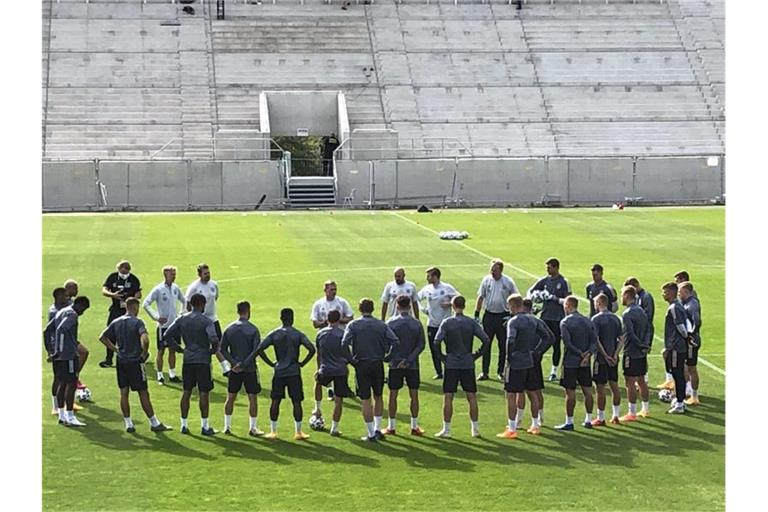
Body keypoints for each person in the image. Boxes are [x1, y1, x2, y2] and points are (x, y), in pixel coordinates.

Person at [98, 298, 171, 433]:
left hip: (121, 361)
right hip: (134, 361)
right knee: (143, 392)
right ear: (135, 307)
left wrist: (115, 350)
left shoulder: (117, 321)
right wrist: (144, 353)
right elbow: (145, 339)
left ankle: (128, 424)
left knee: (124, 393)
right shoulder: (137, 322)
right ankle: (154, 423)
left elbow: (102, 337)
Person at [342, 298, 399, 442]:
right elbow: (395, 341)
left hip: (361, 364)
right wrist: (387, 357)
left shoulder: (353, 325)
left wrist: (352, 360)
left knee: (365, 399)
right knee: (378, 395)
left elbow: (344, 344)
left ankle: (371, 432)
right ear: (373, 309)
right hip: (377, 364)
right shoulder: (381, 324)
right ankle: (377, 428)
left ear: (360, 309)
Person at [433, 295, 490, 438]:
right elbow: (486, 339)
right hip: (467, 362)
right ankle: (475, 429)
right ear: (464, 306)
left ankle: (446, 429)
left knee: (448, 396)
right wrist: (476, 355)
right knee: (471, 396)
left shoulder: (447, 322)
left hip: (451, 362)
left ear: (453, 306)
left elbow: (436, 341)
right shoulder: (470, 323)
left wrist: (442, 357)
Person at [497, 294, 553, 439]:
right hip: (530, 360)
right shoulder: (533, 320)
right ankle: (535, 425)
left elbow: (510, 340)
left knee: (511, 394)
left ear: (514, 305)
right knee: (532, 393)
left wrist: (509, 358)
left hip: (516, 362)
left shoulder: (513, 322)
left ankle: (512, 428)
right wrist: (537, 351)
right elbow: (548, 337)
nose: (508, 308)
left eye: (509, 305)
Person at [164, 293, 220, 435]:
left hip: (188, 359)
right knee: (204, 393)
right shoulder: (206, 321)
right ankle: (205, 426)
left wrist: (178, 348)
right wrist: (212, 351)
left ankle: (184, 424)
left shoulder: (182, 319)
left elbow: (167, 335)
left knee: (186, 392)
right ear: (201, 304)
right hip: (202, 360)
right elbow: (214, 339)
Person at [258, 308, 316, 440]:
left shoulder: (275, 334)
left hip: (279, 372)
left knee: (275, 401)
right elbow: (312, 349)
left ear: (281, 318)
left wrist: (271, 363)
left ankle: (273, 431)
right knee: (296, 401)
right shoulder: (297, 334)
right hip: (294, 372)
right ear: (292, 318)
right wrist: (302, 363)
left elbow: (260, 349)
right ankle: (298, 432)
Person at [219, 301, 264, 437]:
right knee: (252, 398)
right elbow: (256, 350)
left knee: (231, 397)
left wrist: (234, 364)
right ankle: (253, 427)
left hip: (234, 370)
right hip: (249, 369)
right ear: (248, 311)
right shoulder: (253, 329)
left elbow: (222, 349)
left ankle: (227, 427)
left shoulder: (229, 328)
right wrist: (244, 364)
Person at [383, 295, 426, 436]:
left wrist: (393, 359)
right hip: (412, 364)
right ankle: (414, 426)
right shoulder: (417, 323)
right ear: (409, 306)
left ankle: (391, 426)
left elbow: (386, 344)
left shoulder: (390, 323)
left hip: (395, 364)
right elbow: (421, 345)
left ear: (397, 305)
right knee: (414, 395)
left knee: (393, 395)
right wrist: (408, 360)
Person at [555, 296, 597, 431]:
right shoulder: (587, 321)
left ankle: (569, 422)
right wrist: (587, 354)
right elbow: (594, 341)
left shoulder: (565, 322)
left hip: (570, 362)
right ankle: (589, 419)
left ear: (568, 305)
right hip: (585, 363)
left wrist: (579, 353)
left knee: (570, 392)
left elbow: (567, 343)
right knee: (587, 391)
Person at [527, 257, 571, 382]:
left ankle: (554, 371)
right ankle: (536, 368)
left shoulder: (563, 282)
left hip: (557, 318)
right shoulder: (544, 280)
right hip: (545, 317)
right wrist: (535, 297)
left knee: (556, 344)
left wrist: (553, 298)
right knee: (540, 342)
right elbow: (530, 291)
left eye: (549, 268)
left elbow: (568, 301)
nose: (547, 270)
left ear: (556, 267)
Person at [474, 259, 518, 381]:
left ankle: (501, 371)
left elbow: (516, 297)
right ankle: (484, 371)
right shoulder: (486, 280)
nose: (492, 272)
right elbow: (480, 297)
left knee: (503, 344)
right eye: (491, 270)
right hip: (489, 315)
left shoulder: (508, 282)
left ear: (501, 270)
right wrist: (477, 314)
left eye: (495, 270)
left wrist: (512, 314)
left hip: (503, 316)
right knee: (486, 343)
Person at [49, 296, 90, 426]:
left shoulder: (61, 311)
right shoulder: (72, 315)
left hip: (59, 355)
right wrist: (60, 350)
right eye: (83, 309)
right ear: (79, 305)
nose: (82, 312)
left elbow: (47, 330)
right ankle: (70, 415)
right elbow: (61, 329)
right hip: (68, 354)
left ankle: (61, 414)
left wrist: (52, 350)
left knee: (61, 383)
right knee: (71, 383)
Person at [313, 310, 353, 437]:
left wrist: (319, 368)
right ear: (339, 319)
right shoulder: (343, 334)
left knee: (318, 383)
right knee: (338, 400)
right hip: (340, 370)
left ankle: (317, 407)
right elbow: (347, 353)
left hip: (326, 368)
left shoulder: (320, 334)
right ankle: (334, 428)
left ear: (327, 319)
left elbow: (318, 354)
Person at [143, 265, 186, 384]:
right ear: (165, 275)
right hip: (163, 326)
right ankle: (160, 375)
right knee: (161, 350)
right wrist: (156, 317)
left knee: (173, 349)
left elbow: (184, 300)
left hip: (175, 325)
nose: (174, 276)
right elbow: (146, 304)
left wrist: (181, 313)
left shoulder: (176, 288)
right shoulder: (158, 289)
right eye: (172, 274)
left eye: (175, 274)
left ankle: (172, 374)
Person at [186, 264, 230, 376]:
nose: (208, 275)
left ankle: (226, 368)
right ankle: (207, 367)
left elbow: (215, 297)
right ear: (199, 274)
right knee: (204, 345)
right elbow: (188, 303)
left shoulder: (214, 284)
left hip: (213, 319)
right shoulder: (194, 287)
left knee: (219, 343)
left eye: (208, 273)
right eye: (205, 273)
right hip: (201, 321)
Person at [418, 267, 460, 380]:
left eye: (429, 276)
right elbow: (416, 299)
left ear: (435, 276)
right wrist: (423, 309)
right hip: (432, 324)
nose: (427, 278)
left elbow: (459, 298)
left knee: (450, 348)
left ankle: (451, 370)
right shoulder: (427, 289)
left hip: (446, 324)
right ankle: (439, 372)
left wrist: (450, 303)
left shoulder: (447, 287)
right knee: (434, 348)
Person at [99, 260, 141, 368]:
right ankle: (109, 359)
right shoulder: (112, 277)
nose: (124, 273)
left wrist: (130, 300)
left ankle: (138, 354)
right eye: (122, 271)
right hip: (115, 310)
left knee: (133, 333)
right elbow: (104, 290)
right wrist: (113, 295)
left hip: (129, 310)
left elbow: (138, 293)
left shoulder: (133, 279)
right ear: (118, 269)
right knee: (111, 334)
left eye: (126, 271)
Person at [590, 293, 624, 426]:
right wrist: (615, 354)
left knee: (600, 388)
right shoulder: (616, 318)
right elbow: (621, 338)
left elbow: (596, 340)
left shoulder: (596, 319)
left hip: (601, 359)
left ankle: (601, 417)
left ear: (599, 303)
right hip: (614, 359)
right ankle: (616, 415)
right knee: (614, 386)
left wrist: (605, 355)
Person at [46, 287, 81, 415]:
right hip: (60, 347)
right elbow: (51, 330)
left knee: (83, 352)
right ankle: (56, 405)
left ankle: (66, 402)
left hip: (67, 343)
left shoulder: (65, 307)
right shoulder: (54, 311)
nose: (68, 298)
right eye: (65, 296)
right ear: (58, 297)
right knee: (59, 378)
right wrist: (51, 350)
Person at [620, 285, 651, 422]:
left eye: (622, 295)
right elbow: (648, 329)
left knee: (630, 382)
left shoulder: (627, 314)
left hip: (631, 352)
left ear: (627, 295)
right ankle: (645, 408)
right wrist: (646, 345)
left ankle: (631, 412)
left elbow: (630, 334)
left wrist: (640, 345)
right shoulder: (641, 311)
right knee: (641, 380)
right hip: (641, 353)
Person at [522, 297, 552, 427]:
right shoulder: (538, 321)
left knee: (521, 391)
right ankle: (540, 417)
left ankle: (518, 419)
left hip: (524, 359)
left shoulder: (522, 321)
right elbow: (551, 337)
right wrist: (539, 351)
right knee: (536, 389)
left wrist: (537, 351)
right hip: (534, 359)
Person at [661, 282, 690, 414]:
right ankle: (680, 401)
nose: (663, 294)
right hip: (677, 347)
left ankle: (679, 403)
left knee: (678, 375)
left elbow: (681, 327)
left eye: (665, 292)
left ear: (672, 292)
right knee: (677, 374)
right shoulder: (677, 306)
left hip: (676, 348)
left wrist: (685, 337)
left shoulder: (674, 308)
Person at [624, 277, 656, 385]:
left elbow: (648, 317)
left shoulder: (646, 297)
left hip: (643, 330)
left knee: (642, 353)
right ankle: (641, 378)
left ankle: (643, 378)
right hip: (641, 330)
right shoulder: (639, 297)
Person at [61, 279, 90, 391]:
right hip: (66, 340)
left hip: (70, 338)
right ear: (68, 289)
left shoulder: (69, 302)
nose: (77, 290)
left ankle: (74, 377)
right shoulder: (65, 304)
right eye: (75, 288)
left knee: (83, 353)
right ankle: (73, 378)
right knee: (83, 352)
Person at [679, 282, 702, 406]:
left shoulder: (692, 304)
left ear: (686, 291)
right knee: (686, 366)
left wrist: (691, 335)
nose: (678, 294)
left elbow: (697, 321)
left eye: (679, 292)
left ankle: (694, 396)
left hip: (692, 341)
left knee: (691, 367)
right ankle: (689, 390)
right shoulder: (687, 303)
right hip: (689, 340)